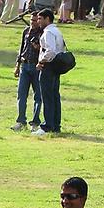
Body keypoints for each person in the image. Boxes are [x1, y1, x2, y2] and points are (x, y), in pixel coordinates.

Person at [35, 8, 65, 136]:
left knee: (47, 97)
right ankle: (55, 125)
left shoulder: (48, 32)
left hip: (48, 66)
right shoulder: (56, 30)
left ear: (48, 19)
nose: (38, 21)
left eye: (40, 19)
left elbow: (51, 51)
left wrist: (41, 61)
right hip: (56, 66)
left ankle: (47, 125)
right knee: (54, 96)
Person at [11, 10, 42, 132]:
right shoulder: (26, 31)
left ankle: (35, 122)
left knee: (38, 96)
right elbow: (21, 48)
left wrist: (38, 48)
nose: (33, 23)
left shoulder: (43, 33)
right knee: (21, 95)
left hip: (36, 66)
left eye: (35, 21)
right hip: (25, 65)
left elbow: (45, 51)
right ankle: (21, 121)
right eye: (31, 20)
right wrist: (17, 66)